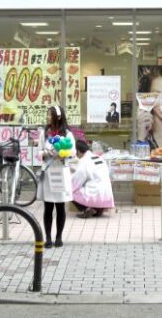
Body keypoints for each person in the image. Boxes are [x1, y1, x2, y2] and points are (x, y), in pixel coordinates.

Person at [37, 105, 75, 248]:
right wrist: (45, 153)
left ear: (58, 117)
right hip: (48, 172)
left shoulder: (67, 134)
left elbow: (73, 152)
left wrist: (62, 155)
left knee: (60, 206)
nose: (47, 117)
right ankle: (48, 238)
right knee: (48, 206)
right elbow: (39, 151)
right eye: (47, 114)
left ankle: (58, 237)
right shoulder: (45, 133)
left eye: (50, 114)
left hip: (61, 173)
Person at [71, 140, 114, 218]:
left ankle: (87, 209)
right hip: (106, 194)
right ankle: (98, 211)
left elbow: (77, 180)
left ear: (78, 151)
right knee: (93, 187)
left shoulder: (84, 161)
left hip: (95, 193)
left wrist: (68, 184)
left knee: (69, 191)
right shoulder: (98, 158)